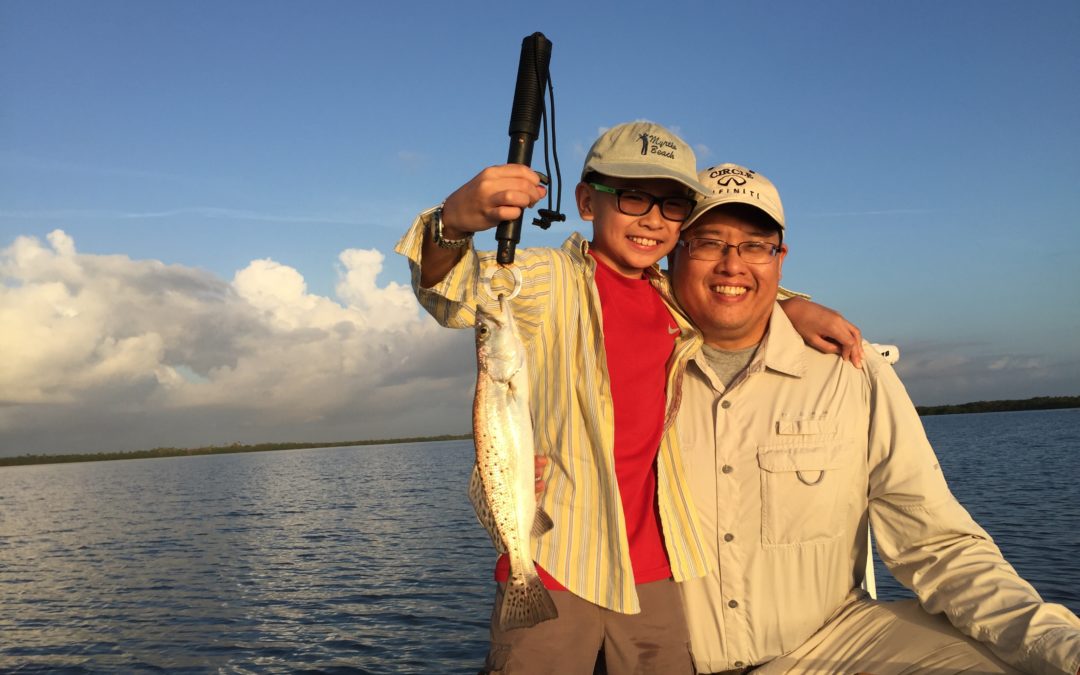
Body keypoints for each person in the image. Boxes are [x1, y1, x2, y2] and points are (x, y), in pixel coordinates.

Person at [395, 122, 862, 675]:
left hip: (657, 565)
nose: (652, 220)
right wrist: (453, 224)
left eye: (671, 206)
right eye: (634, 197)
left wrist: (791, 306)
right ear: (588, 202)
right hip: (556, 559)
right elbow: (455, 293)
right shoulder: (547, 279)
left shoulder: (671, 298)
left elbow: (729, 294)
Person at [666, 163, 1080, 674]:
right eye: (708, 242)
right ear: (674, 252)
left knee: (1019, 664)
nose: (733, 264)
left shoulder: (852, 373)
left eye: (755, 245)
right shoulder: (622, 365)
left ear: (780, 259)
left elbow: (936, 543)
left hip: (829, 645)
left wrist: (1059, 643)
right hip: (658, 658)